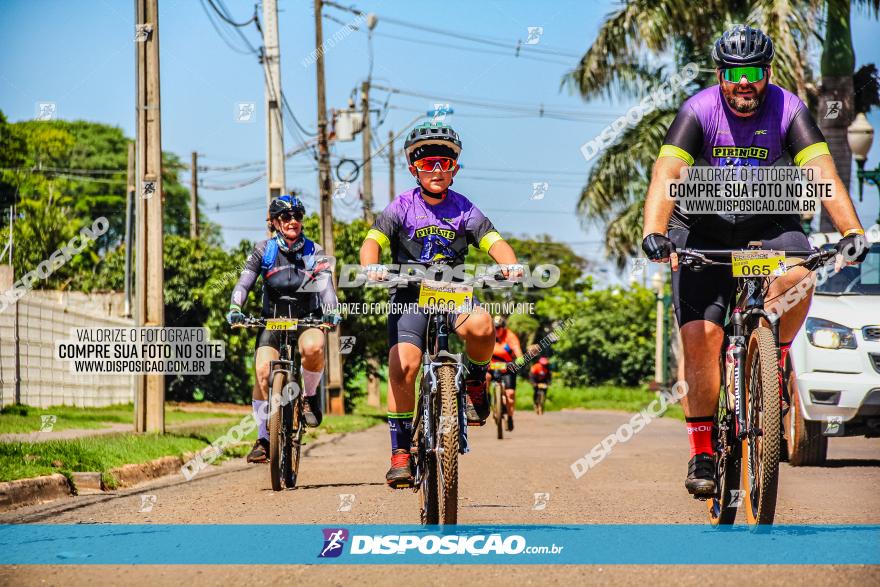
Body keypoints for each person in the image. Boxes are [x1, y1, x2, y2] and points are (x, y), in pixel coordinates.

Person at [641, 25, 869, 497]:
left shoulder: (787, 108)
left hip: (769, 224)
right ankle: (703, 452)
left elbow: (821, 170)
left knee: (798, 276)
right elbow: (667, 173)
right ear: (721, 75)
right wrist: (655, 232)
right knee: (700, 338)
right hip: (703, 227)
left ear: (766, 73)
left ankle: (773, 358)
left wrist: (852, 231)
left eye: (753, 72)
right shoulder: (697, 110)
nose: (744, 82)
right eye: (734, 72)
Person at [359, 121, 523, 488]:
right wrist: (371, 266)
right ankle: (400, 451)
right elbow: (373, 241)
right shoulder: (401, 206)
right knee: (405, 364)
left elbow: (495, 241)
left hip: (453, 291)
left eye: (445, 163)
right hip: (409, 294)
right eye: (429, 162)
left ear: (455, 169)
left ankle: (476, 384)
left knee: (482, 326)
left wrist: (508, 264)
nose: (437, 170)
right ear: (413, 167)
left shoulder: (465, 208)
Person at [227, 195, 341, 464]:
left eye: (298, 216)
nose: (293, 222)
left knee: (313, 347)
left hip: (307, 318)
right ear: (275, 222)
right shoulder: (262, 250)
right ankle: (263, 439)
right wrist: (235, 308)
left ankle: (309, 398)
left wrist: (332, 311)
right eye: (286, 217)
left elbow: (326, 287)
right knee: (264, 371)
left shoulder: (314, 251)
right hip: (272, 319)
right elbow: (243, 285)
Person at [491, 315, 523, 431]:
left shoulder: (510, 336)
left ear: (503, 328)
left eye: (498, 328)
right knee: (485, 377)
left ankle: (510, 417)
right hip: (491, 365)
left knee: (510, 394)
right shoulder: (488, 335)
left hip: (507, 367)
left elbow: (517, 350)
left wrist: (519, 360)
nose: (496, 330)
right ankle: (485, 400)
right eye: (494, 327)